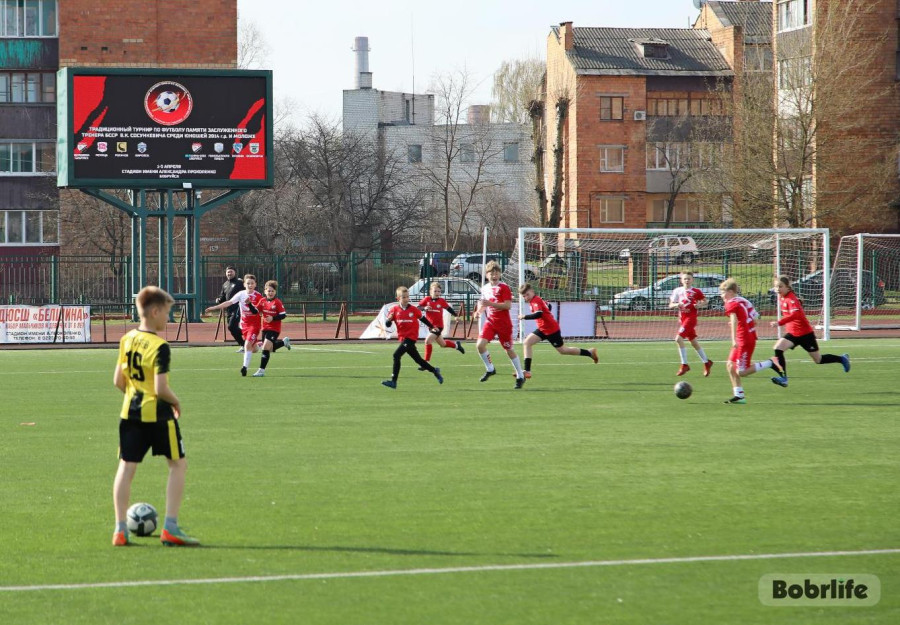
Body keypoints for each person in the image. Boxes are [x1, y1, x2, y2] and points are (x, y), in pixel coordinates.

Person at [112, 286, 199, 547]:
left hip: (130, 412)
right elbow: (161, 388)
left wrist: (136, 395)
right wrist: (176, 401)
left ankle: (119, 530)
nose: (168, 319)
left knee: (126, 468)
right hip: (158, 414)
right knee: (177, 465)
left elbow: (118, 380)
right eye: (167, 313)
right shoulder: (160, 346)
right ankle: (170, 528)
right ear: (155, 311)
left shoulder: (126, 338)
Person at [769, 275, 850, 387]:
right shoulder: (781, 297)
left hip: (805, 334)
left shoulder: (791, 298)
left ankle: (842, 359)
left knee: (818, 360)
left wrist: (779, 323)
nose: (777, 289)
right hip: (793, 334)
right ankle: (784, 378)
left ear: (788, 287)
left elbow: (796, 314)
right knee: (778, 348)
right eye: (776, 287)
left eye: (780, 286)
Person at [719, 278, 786, 404]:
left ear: (731, 292)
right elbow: (755, 319)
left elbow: (734, 320)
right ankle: (739, 395)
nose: (721, 295)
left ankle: (771, 363)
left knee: (742, 371)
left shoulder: (731, 303)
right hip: (747, 336)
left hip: (744, 339)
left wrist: (734, 338)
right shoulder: (743, 300)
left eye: (723, 292)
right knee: (730, 365)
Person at [517, 284, 598, 377]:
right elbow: (549, 306)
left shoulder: (535, 301)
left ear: (532, 291)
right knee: (527, 343)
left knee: (563, 350)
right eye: (524, 296)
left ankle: (589, 352)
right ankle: (527, 371)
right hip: (543, 329)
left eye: (527, 294)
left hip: (551, 330)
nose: (526, 297)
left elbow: (538, 314)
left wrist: (524, 316)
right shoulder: (536, 300)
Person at [474, 260, 526, 389]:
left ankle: (520, 375)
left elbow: (507, 306)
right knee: (480, 345)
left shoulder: (504, 287)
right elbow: (483, 303)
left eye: (496, 272)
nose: (494, 275)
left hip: (503, 324)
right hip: (491, 322)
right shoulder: (485, 288)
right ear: (487, 275)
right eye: (491, 273)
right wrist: (478, 311)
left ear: (500, 274)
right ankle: (490, 368)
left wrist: (490, 304)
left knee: (508, 350)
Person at [382, 286, 444, 388]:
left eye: (407, 297)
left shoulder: (413, 310)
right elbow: (388, 324)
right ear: (398, 299)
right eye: (404, 297)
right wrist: (388, 320)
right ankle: (435, 371)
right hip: (403, 338)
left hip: (411, 338)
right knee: (418, 360)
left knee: (396, 355)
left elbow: (423, 319)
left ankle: (393, 381)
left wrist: (432, 327)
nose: (407, 299)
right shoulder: (394, 310)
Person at [206, 274, 264, 376]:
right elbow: (229, 302)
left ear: (255, 285)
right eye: (248, 283)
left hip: (254, 325)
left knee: (247, 344)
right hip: (244, 325)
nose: (250, 285)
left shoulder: (258, 296)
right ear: (244, 284)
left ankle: (244, 368)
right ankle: (258, 345)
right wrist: (215, 308)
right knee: (252, 348)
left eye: (252, 283)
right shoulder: (241, 294)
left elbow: (257, 311)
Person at [668, 271, 713, 377]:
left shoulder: (696, 291)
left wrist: (699, 305)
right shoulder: (677, 291)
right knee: (693, 342)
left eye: (689, 279)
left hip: (691, 319)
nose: (687, 280)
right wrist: (677, 304)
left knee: (678, 339)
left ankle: (684, 364)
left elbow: (705, 301)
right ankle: (707, 362)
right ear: (681, 280)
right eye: (685, 279)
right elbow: (670, 305)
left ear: (692, 280)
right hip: (682, 319)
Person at [417, 281, 465, 369]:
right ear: (430, 291)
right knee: (442, 344)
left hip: (438, 326)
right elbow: (418, 307)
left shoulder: (441, 301)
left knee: (428, 341)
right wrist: (424, 308)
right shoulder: (426, 299)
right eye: (435, 291)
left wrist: (456, 316)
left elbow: (448, 308)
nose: (437, 293)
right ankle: (457, 345)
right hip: (430, 326)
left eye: (439, 291)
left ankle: (426, 363)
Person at [251, 280, 291, 377]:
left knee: (265, 347)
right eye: (268, 291)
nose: (270, 292)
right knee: (270, 349)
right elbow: (255, 311)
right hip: (264, 328)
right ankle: (283, 342)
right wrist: (248, 304)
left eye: (272, 291)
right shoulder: (262, 301)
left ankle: (261, 370)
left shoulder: (277, 302)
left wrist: (273, 318)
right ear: (265, 291)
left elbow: (283, 315)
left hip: (274, 329)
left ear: (275, 292)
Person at [215, 266, 244, 351]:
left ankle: (249, 338)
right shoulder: (225, 284)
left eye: (231, 271)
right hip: (229, 309)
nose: (229, 273)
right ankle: (244, 344)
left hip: (238, 308)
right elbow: (223, 296)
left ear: (234, 272)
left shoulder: (239, 283)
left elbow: (247, 292)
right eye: (228, 272)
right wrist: (219, 299)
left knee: (231, 326)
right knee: (231, 328)